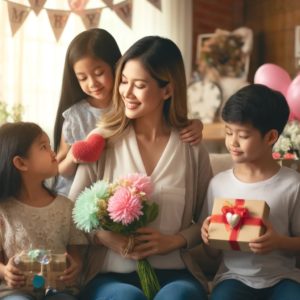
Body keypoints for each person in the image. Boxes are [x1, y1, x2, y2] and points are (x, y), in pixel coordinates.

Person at [68, 36, 213, 300]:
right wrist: (104, 237)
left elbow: (208, 220)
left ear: (167, 90)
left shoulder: (191, 148)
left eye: (140, 85)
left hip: (176, 273)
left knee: (178, 296)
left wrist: (175, 241)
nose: (126, 92)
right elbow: (69, 213)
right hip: (110, 276)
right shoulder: (103, 141)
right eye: (123, 81)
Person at [53, 28, 204, 197]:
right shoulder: (87, 124)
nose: (93, 83)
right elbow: (64, 179)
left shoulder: (187, 145)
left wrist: (194, 124)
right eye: (82, 78)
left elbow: (206, 215)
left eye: (99, 73)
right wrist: (73, 156)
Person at [201, 84, 300, 300]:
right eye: (228, 132)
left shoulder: (292, 184)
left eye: (243, 135)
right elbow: (212, 254)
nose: (232, 142)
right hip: (232, 279)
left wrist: (279, 242)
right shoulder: (218, 184)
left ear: (271, 137)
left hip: (283, 278)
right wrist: (208, 238)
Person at [0, 122, 87, 300]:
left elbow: (76, 255)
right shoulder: (3, 210)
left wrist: (75, 266)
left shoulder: (65, 207)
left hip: (59, 289)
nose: (53, 152)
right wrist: (5, 272)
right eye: (43, 147)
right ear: (21, 163)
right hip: (16, 292)